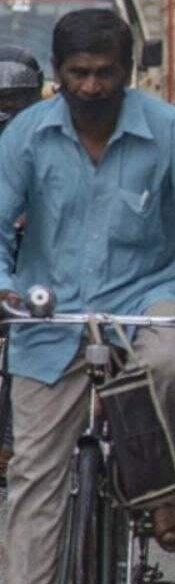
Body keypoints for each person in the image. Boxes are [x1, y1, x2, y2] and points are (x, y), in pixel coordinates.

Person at [0, 8, 175, 584]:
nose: (90, 86)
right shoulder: (25, 136)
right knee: (32, 474)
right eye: (77, 73)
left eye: (105, 72)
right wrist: (4, 287)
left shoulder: (168, 131)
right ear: (57, 74)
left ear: (128, 73)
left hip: (147, 298)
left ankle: (150, 478)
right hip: (51, 314)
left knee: (171, 356)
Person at [0, 47, 45, 482]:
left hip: (30, 268)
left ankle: (10, 442)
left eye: (17, 100)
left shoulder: (50, 139)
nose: (8, 110)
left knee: (23, 335)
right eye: (1, 100)